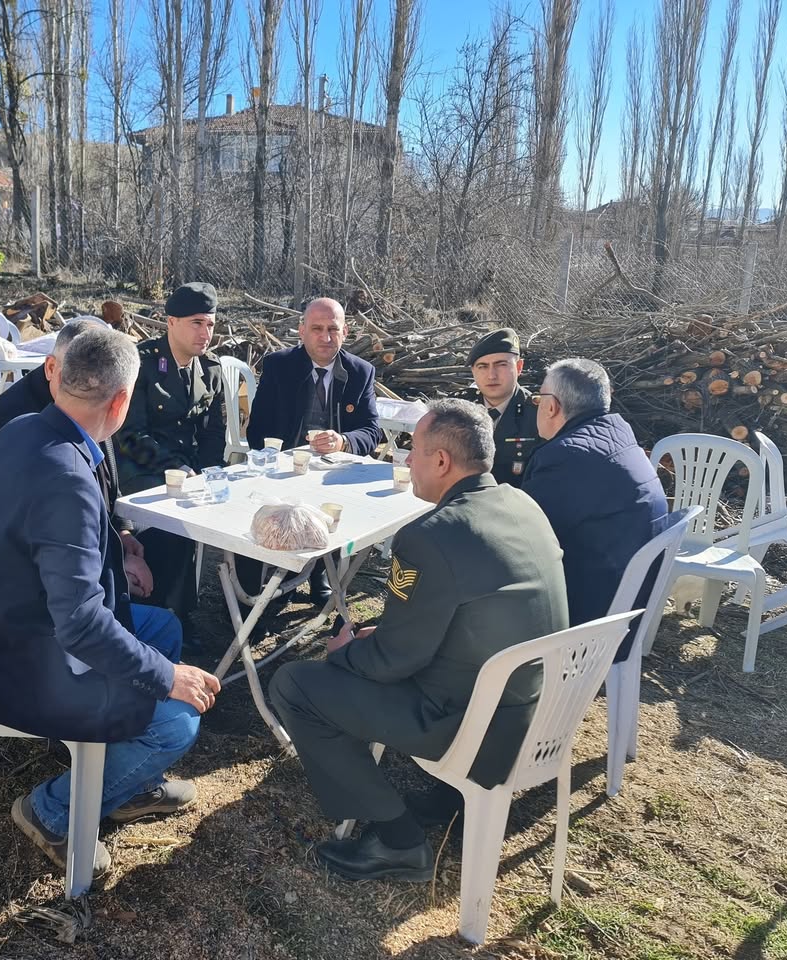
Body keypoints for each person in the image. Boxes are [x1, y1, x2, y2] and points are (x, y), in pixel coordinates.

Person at [0, 327, 222, 876]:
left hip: (1, 617)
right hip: (25, 657)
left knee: (166, 629)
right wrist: (167, 679)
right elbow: (79, 624)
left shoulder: (24, 427)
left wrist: (118, 546)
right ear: (123, 400)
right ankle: (51, 810)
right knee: (175, 722)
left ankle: (123, 780)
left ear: (60, 373)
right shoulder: (68, 476)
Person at [269, 399, 568, 882]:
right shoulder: (521, 502)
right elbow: (461, 615)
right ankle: (451, 798)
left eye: (414, 450)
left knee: (295, 686)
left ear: (443, 461)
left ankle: (398, 841)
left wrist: (344, 653)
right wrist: (377, 636)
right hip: (541, 709)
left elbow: (393, 660)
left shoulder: (430, 535)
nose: (406, 460)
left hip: (478, 726)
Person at [0, 318, 154, 600]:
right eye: (78, 368)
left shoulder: (87, 406)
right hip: (35, 594)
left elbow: (108, 484)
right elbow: (48, 543)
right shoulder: (15, 421)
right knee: (166, 632)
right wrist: (115, 567)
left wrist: (124, 533)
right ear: (51, 367)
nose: (88, 379)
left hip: (75, 562)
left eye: (94, 370)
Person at [523, 358, 668, 656]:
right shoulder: (618, 433)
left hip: (588, 616)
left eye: (538, 398)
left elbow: (521, 537)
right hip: (623, 605)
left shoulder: (566, 456)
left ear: (551, 406)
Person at [242, 296, 381, 603]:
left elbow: (372, 430)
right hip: (285, 471)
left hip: (335, 472)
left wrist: (343, 440)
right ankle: (259, 591)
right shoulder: (279, 366)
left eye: (333, 329)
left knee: (337, 506)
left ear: (345, 333)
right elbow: (257, 429)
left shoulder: (361, 372)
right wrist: (282, 458)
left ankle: (320, 572)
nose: (326, 337)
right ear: (301, 330)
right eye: (317, 328)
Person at [113, 282, 227, 615]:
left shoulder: (210, 369)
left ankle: (190, 607)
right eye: (196, 322)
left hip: (189, 471)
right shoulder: (142, 364)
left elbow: (213, 434)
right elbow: (128, 435)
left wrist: (207, 475)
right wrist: (174, 471)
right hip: (140, 469)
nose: (205, 333)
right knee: (176, 524)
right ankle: (164, 608)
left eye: (210, 324)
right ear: (171, 322)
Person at [468, 327, 543, 486]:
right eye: (482, 366)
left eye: (501, 365)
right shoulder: (460, 409)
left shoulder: (539, 415)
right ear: (473, 371)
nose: (491, 375)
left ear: (519, 367)